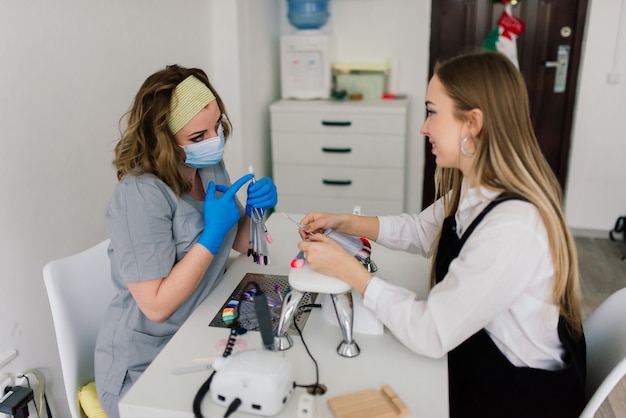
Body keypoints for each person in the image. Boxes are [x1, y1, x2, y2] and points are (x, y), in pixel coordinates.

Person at [297, 50, 586, 418]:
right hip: (475, 359)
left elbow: (431, 333)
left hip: (517, 397)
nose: (423, 127)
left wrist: (350, 271)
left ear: (472, 122)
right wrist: (345, 222)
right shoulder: (477, 187)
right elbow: (419, 230)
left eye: (432, 112)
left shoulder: (514, 225)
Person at [94, 64, 277, 418]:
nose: (214, 141)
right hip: (145, 362)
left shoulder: (207, 165)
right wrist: (210, 234)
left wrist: (258, 212)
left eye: (217, 127)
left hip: (200, 326)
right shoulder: (140, 195)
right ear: (162, 137)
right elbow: (157, 307)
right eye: (198, 136)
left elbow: (242, 243)